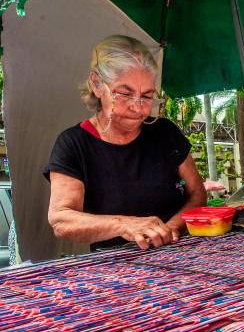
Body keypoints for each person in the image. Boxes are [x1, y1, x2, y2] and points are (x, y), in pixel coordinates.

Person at [45, 35, 207, 251]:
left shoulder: (165, 133)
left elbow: (197, 193)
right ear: (96, 84)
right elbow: (61, 219)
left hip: (178, 252)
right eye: (124, 93)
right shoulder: (74, 144)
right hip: (115, 268)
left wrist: (169, 230)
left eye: (147, 96)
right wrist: (124, 225)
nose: (138, 107)